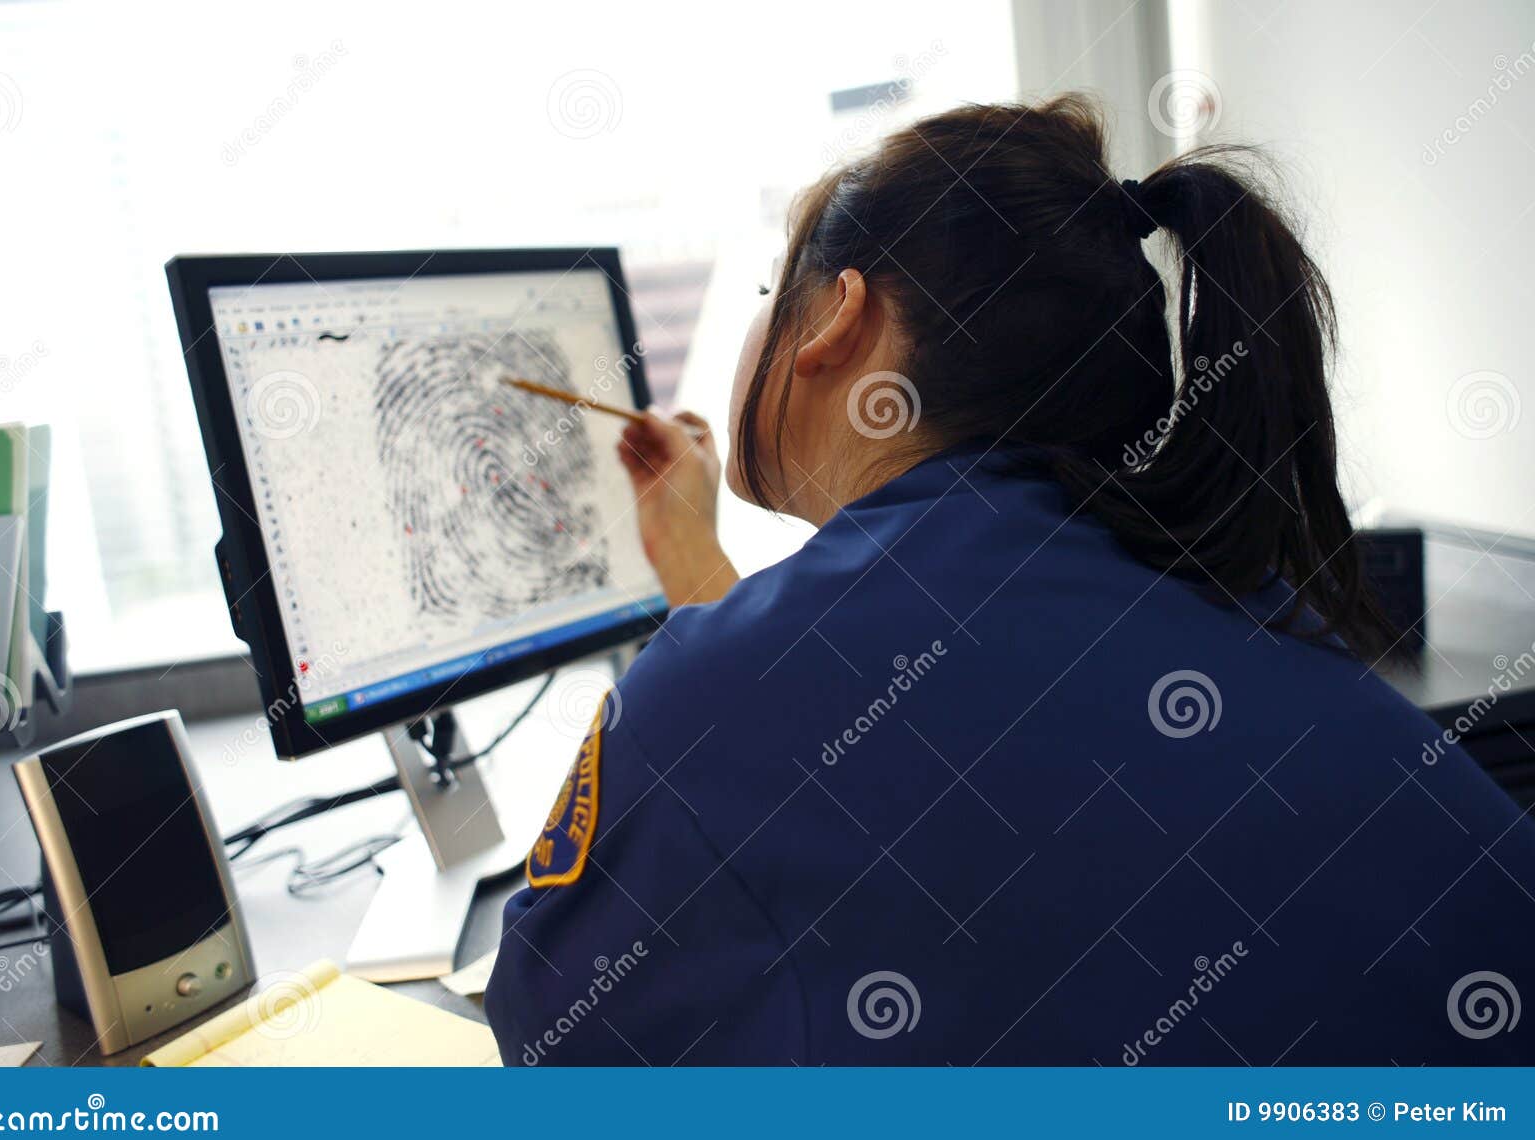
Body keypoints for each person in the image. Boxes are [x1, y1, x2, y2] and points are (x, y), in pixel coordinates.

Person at [484, 95, 1535, 1065]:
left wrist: (706, 651)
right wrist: (703, 582)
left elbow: (552, 1037)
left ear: (840, 319)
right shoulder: (1241, 600)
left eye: (771, 287)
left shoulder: (732, 691)